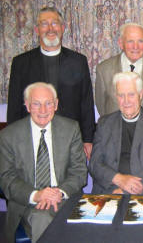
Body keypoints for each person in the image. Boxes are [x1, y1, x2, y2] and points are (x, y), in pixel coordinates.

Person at [0, 82, 87, 243]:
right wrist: (37, 195)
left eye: (48, 103)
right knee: (42, 217)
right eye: (36, 104)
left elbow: (79, 172)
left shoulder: (71, 129)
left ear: (56, 105)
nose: (43, 110)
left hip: (64, 198)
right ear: (27, 105)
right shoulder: (8, 136)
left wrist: (58, 192)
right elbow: (6, 179)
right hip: (27, 202)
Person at [7, 6, 95, 159]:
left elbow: (85, 102)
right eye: (44, 24)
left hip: (69, 139)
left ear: (63, 28)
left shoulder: (78, 61)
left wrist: (88, 139)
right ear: (36, 29)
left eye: (54, 23)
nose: (50, 28)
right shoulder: (21, 63)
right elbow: (14, 105)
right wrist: (13, 140)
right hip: (31, 140)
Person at [89, 72, 143, 195]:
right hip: (109, 190)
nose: (126, 101)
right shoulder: (104, 123)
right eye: (121, 95)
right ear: (116, 97)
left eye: (131, 94)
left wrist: (126, 189)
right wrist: (118, 179)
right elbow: (95, 164)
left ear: (140, 94)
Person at [95, 22, 143, 116]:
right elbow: (101, 105)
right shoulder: (103, 70)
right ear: (120, 43)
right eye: (130, 41)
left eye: (140, 41)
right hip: (115, 128)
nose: (135, 47)